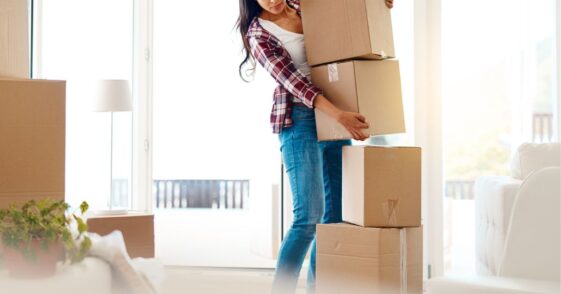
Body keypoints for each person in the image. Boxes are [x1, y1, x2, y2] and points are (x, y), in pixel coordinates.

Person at [236, 0, 394, 292]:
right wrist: (340, 117)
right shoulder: (259, 34)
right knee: (308, 217)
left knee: (332, 218)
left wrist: (374, 5)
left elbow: (348, 15)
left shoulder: (305, 6)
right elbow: (295, 83)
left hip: (335, 114)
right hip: (300, 119)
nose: (272, 0)